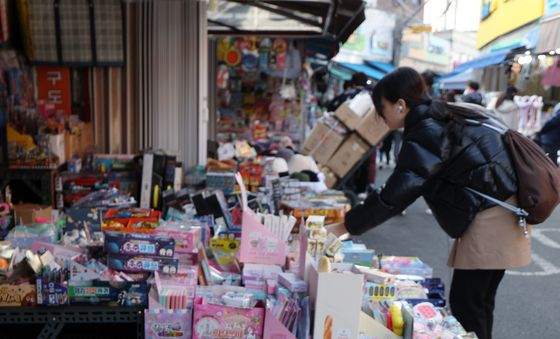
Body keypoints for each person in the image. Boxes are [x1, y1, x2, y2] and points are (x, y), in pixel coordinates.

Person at [327, 67, 530, 339]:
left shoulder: (428, 129)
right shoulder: (437, 116)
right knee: (477, 303)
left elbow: (398, 192)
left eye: (382, 107)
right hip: (497, 212)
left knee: (467, 305)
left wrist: (345, 225)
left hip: (491, 219)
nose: (380, 116)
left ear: (400, 105)